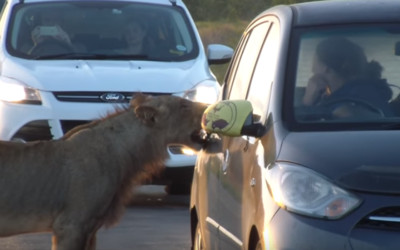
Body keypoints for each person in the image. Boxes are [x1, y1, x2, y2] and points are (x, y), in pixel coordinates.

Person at [302, 37, 393, 117]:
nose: (312, 70)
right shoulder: (375, 93)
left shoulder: (341, 108)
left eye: (314, 65)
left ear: (326, 69)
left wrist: (307, 103)